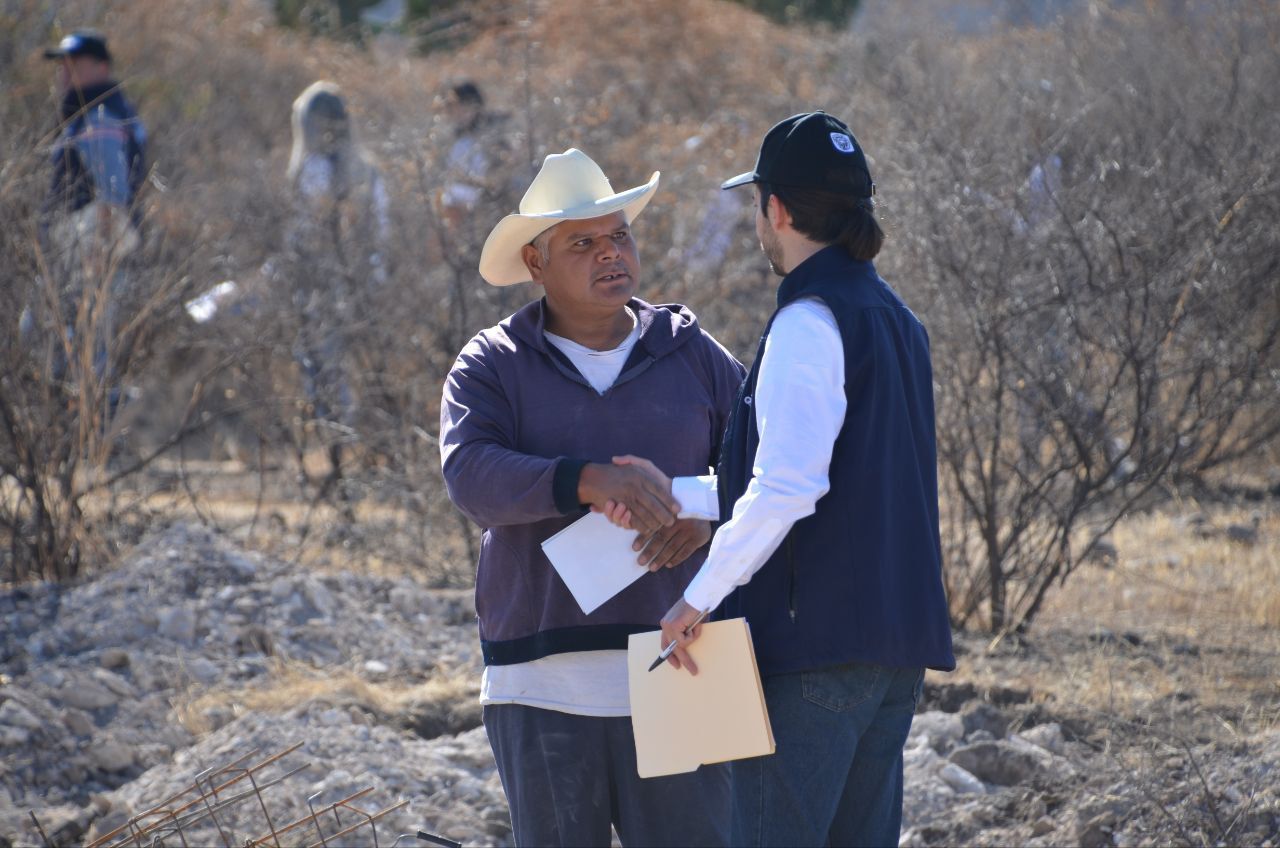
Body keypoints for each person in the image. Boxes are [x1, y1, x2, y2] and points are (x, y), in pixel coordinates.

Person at [601, 111, 956, 847]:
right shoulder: (898, 320)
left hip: (814, 654)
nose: (756, 221)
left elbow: (790, 486)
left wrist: (694, 601)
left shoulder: (808, 319)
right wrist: (676, 495)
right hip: (894, 653)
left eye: (756, 203)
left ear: (779, 210)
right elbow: (838, 479)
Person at [439, 148, 743, 846]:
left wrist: (701, 509)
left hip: (689, 664)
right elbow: (471, 477)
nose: (612, 254)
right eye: (583, 243)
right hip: (542, 681)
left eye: (620, 236)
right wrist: (587, 479)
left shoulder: (693, 353)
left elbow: (770, 472)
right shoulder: (492, 364)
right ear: (536, 262)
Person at [25, 29, 147, 404]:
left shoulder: (98, 114)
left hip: (90, 239)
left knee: (77, 342)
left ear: (101, 66)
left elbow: (112, 192)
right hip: (88, 239)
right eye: (62, 64)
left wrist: (100, 250)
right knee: (84, 342)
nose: (64, 72)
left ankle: (97, 427)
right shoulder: (99, 109)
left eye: (74, 63)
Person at [281, 81, 391, 491]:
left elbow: (306, 232)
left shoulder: (314, 170)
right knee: (351, 372)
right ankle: (347, 457)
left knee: (322, 371)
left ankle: (334, 460)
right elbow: (382, 232)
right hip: (360, 285)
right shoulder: (368, 171)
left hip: (321, 284)